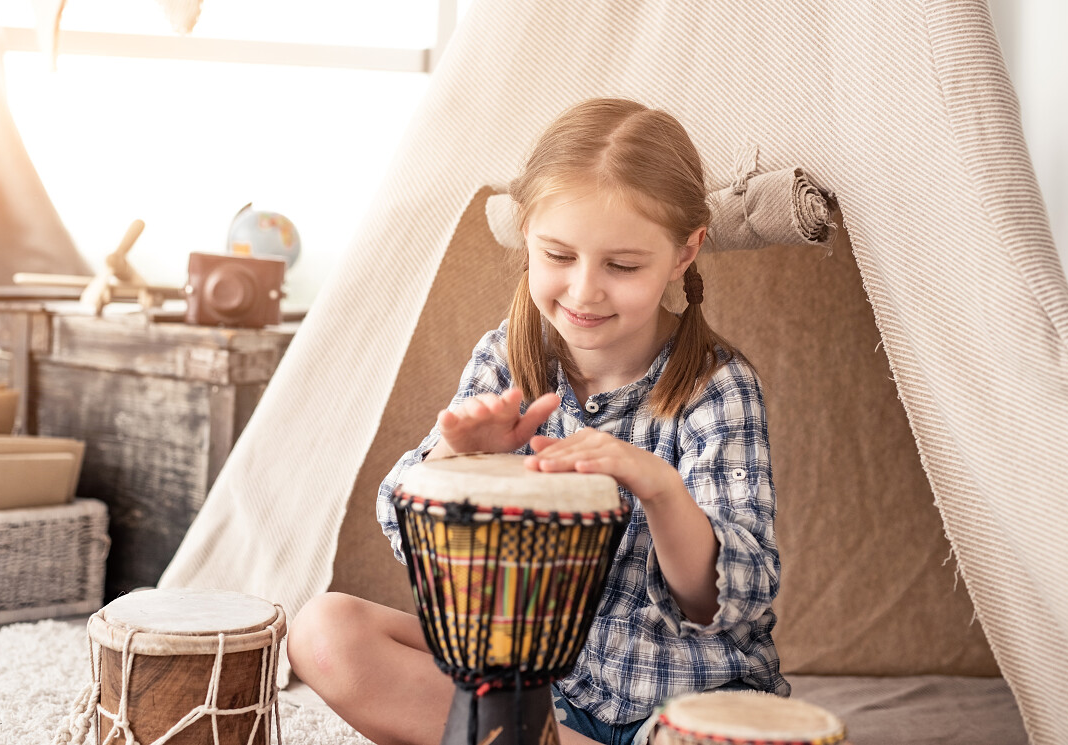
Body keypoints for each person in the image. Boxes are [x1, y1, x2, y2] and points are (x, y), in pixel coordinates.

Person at [287, 97, 789, 745]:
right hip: (540, 689)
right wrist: (454, 457)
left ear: (684, 253)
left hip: (684, 697)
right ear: (526, 233)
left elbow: (723, 601)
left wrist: (658, 486)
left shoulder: (716, 388)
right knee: (324, 631)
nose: (584, 291)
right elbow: (412, 540)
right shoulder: (507, 360)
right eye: (559, 255)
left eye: (623, 265)